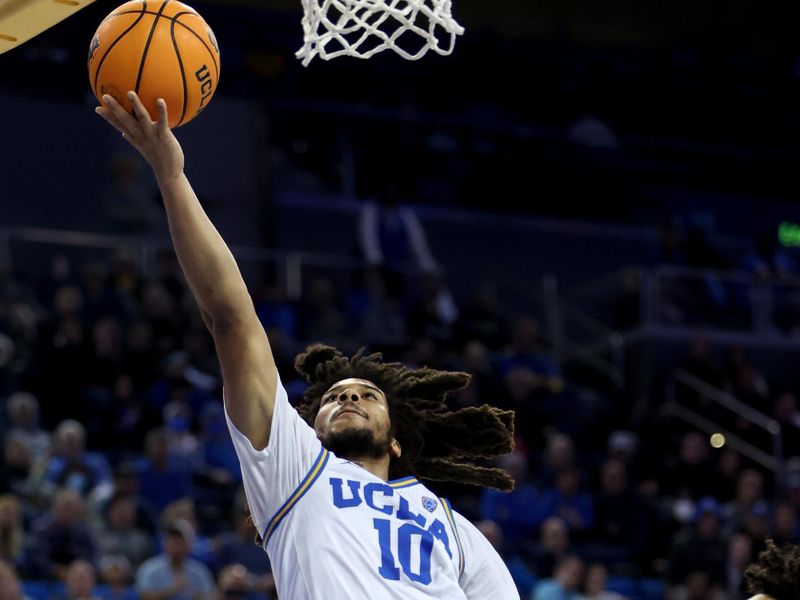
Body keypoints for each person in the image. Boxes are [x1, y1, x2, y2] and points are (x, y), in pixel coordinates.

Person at [96, 91, 519, 599]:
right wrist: (171, 177)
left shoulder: (453, 527)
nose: (348, 397)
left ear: (396, 440)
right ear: (311, 429)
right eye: (334, 396)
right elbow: (231, 318)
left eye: (366, 394)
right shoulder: (296, 468)